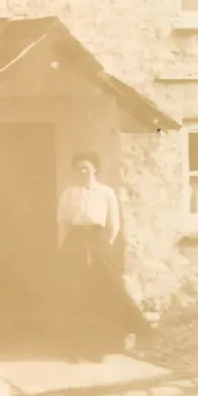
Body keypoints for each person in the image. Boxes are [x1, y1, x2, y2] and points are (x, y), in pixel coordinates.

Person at [57, 150, 151, 363]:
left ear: (95, 169)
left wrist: (103, 245)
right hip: (74, 242)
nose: (81, 171)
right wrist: (64, 246)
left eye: (86, 168)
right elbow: (62, 223)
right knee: (74, 294)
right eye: (78, 168)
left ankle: (99, 347)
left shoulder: (106, 193)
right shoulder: (68, 193)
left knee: (106, 290)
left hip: (97, 241)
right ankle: (74, 348)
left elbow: (114, 225)